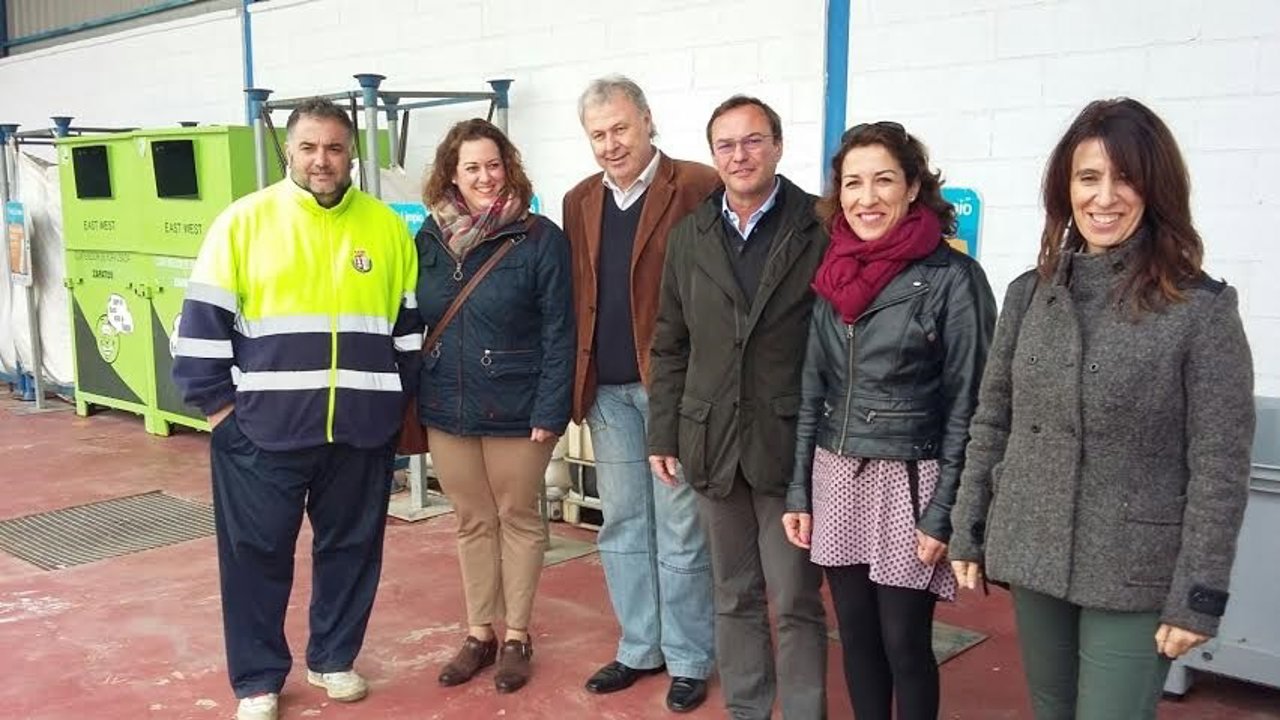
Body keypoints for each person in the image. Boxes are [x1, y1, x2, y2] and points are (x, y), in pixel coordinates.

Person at [949, 97, 1255, 720]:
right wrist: (969, 527)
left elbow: (1220, 465)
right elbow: (994, 420)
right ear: (1066, 188)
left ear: (1155, 188)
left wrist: (1198, 594)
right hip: (1035, 550)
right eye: (1089, 177)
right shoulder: (1029, 294)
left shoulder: (1199, 309)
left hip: (1135, 571)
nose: (1105, 197)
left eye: (1126, 178)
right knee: (1052, 709)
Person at [172, 98, 422, 720]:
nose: (321, 160)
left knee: (352, 550)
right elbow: (199, 329)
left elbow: (407, 332)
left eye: (334, 147)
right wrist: (221, 415)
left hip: (360, 434)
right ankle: (258, 679)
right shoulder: (243, 223)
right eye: (308, 147)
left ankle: (333, 658)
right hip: (261, 435)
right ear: (288, 151)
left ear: (352, 154)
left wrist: (391, 410)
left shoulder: (387, 228)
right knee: (254, 559)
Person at [781, 122, 996, 720]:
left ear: (913, 188)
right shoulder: (834, 273)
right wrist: (800, 488)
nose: (866, 198)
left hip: (910, 478)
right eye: (853, 183)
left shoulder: (954, 279)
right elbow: (813, 389)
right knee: (855, 638)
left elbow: (970, 404)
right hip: (836, 472)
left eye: (883, 181)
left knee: (904, 642)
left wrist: (945, 509)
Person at [647, 95, 829, 720]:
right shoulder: (689, 235)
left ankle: (803, 711)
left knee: (796, 597)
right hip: (712, 440)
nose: (740, 155)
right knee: (733, 593)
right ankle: (747, 708)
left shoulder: (819, 227)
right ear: (713, 155)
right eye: (726, 144)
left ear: (777, 146)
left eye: (753, 141)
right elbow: (670, 342)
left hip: (788, 443)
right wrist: (662, 432)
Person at [562, 75, 720, 713]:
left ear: (648, 121)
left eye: (621, 128)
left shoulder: (697, 185)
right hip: (607, 392)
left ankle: (688, 657)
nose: (611, 144)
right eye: (598, 134)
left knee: (681, 528)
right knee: (622, 522)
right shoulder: (579, 201)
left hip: (671, 392)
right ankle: (639, 647)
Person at [415, 118, 574, 695]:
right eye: (471, 168)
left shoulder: (539, 238)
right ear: (451, 175)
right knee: (472, 519)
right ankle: (479, 632)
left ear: (509, 168)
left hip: (517, 406)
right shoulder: (430, 238)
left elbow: (561, 331)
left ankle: (517, 636)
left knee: (518, 517)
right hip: (447, 404)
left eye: (493, 165)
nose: (484, 177)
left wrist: (550, 410)